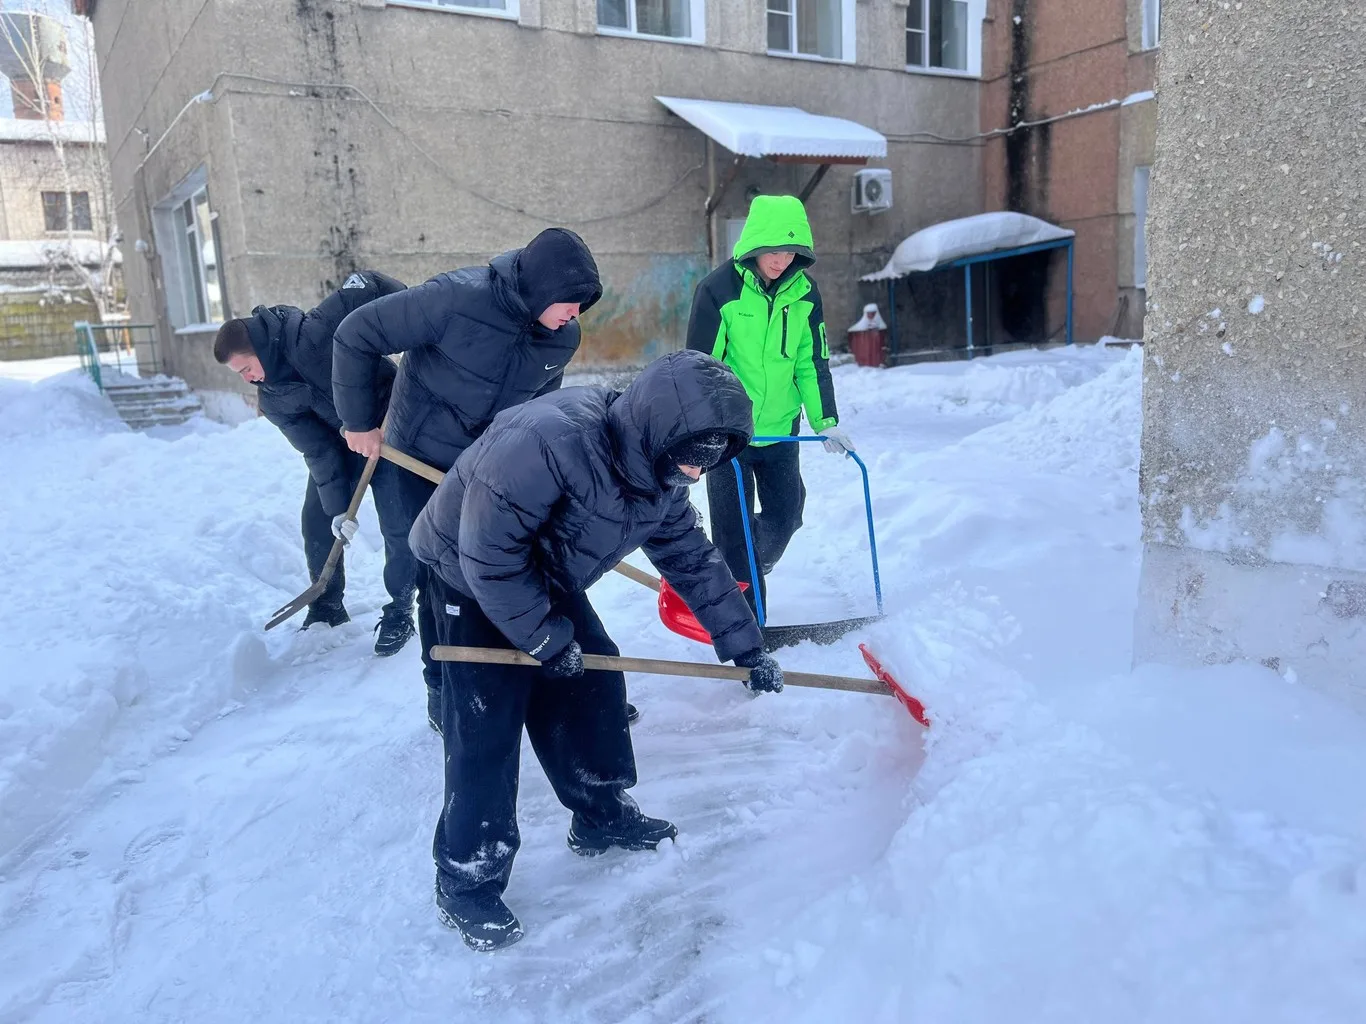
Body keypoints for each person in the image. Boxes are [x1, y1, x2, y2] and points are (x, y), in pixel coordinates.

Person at [409, 349, 784, 951]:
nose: (691, 476)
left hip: (541, 573)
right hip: (467, 570)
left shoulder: (658, 475)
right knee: (487, 724)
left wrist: (745, 647)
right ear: (658, 432)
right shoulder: (548, 441)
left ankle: (599, 811)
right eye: (687, 463)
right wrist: (543, 640)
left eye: (701, 469)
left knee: (594, 682)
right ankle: (466, 881)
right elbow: (489, 557)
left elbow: (692, 559)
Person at [332, 228, 603, 733]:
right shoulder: (456, 298)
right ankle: (442, 686)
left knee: (511, 563)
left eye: (582, 305)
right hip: (419, 459)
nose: (575, 314)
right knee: (439, 576)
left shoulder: (562, 335)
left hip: (486, 468)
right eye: (569, 302)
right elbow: (355, 333)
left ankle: (533, 677)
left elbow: (540, 409)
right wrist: (358, 421)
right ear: (541, 288)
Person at [214, 270, 420, 651]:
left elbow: (368, 284)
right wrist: (339, 508)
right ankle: (326, 605)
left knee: (398, 523)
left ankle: (400, 612)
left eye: (245, 368)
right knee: (317, 517)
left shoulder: (313, 333)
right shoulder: (273, 398)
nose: (246, 378)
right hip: (343, 443)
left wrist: (414, 322)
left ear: (259, 347)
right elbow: (318, 451)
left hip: (393, 427)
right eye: (239, 374)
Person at [686, 194, 854, 618]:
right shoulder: (718, 290)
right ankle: (748, 629)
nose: (781, 261)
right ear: (755, 245)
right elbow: (702, 367)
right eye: (774, 251)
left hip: (780, 428)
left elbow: (811, 361)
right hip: (730, 437)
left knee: (786, 514)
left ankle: (732, 574)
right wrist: (707, 427)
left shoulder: (805, 293)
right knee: (733, 532)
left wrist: (826, 421)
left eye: (790, 252)